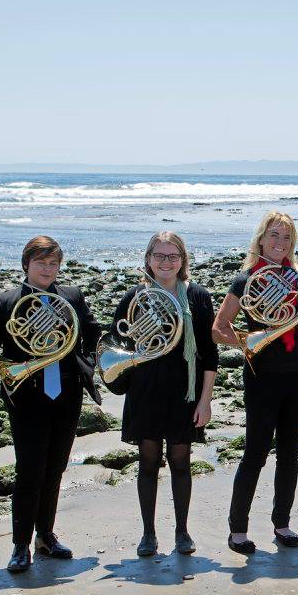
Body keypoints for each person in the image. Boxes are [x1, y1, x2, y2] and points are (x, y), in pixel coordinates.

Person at [0, 236, 102, 574]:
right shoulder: (6, 302)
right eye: (41, 262)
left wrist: (83, 364)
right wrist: (10, 374)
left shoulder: (71, 296)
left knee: (56, 468)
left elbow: (92, 332)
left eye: (53, 263)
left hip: (66, 395)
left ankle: (45, 536)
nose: (47, 269)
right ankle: (20, 545)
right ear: (26, 265)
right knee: (29, 471)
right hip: (27, 397)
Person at [213, 211, 298, 554]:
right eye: (274, 236)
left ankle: (282, 523)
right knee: (255, 453)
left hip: (296, 376)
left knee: (290, 455)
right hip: (261, 377)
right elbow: (219, 329)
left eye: (287, 237)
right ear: (261, 239)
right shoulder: (245, 281)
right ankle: (238, 530)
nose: (280, 243)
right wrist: (251, 340)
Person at [111, 232, 218, 556]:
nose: (166, 262)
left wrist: (205, 400)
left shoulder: (198, 297)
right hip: (146, 392)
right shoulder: (134, 297)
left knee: (181, 461)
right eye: (159, 256)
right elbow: (117, 344)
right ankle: (148, 534)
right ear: (148, 259)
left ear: (183, 260)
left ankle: (182, 532)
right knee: (147, 462)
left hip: (185, 393)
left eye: (173, 256)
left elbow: (209, 355)